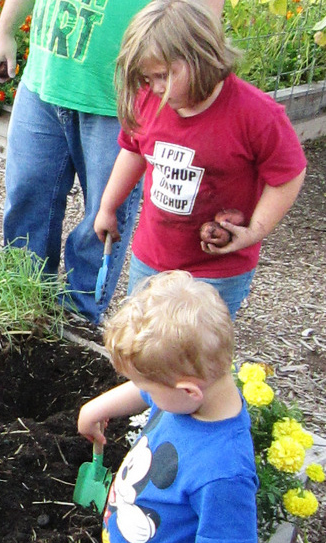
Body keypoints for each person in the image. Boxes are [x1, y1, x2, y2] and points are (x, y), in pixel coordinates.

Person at [0, 0, 225, 325]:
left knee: (101, 220)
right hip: (44, 80)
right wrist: (6, 32)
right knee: (26, 200)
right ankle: (19, 303)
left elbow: (202, 17)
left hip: (116, 100)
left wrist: (186, 89)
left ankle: (78, 320)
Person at [94, 0, 307, 319]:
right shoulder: (149, 100)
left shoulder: (255, 114)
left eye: (164, 75)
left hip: (216, 270)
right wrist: (108, 208)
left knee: (196, 360)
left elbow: (288, 176)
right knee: (145, 345)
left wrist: (253, 232)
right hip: (151, 257)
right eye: (148, 78)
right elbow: (134, 149)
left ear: (201, 56)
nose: (156, 88)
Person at [77, 270, 258, 543]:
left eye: (149, 388)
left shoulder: (223, 470)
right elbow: (142, 392)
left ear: (188, 391)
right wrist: (95, 409)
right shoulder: (190, 395)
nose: (144, 393)